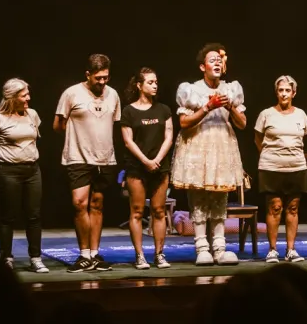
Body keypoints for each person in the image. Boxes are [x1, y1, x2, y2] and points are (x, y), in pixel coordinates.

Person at [171, 44, 246, 266]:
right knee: (199, 198)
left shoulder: (230, 89)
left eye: (219, 60)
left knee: (219, 198)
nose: (217, 63)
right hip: (199, 145)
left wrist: (230, 107)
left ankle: (220, 248)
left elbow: (242, 124)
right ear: (203, 66)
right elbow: (184, 122)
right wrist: (207, 107)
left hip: (221, 145)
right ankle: (202, 247)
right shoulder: (192, 90)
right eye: (212, 60)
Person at [54, 54, 121, 272]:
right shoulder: (71, 93)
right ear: (88, 74)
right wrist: (78, 138)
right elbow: (58, 125)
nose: (102, 82)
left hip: (105, 158)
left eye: (105, 78)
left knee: (97, 205)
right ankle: (83, 254)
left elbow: (113, 124)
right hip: (78, 157)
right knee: (79, 204)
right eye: (98, 78)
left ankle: (94, 254)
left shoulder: (113, 95)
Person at [0, 78, 48, 273]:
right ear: (12, 98)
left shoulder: (32, 114)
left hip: (32, 170)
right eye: (24, 95)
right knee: (8, 217)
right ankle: (6, 258)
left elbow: (33, 140)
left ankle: (35, 258)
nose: (28, 98)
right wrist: (2, 162)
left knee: (34, 216)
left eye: (28, 94)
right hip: (8, 172)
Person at [254, 75, 307, 263]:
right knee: (275, 207)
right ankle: (272, 250)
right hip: (271, 167)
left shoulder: (301, 114)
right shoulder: (266, 114)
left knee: (293, 208)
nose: (284, 94)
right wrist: (271, 156)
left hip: (296, 166)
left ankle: (291, 250)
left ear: (294, 93)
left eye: (288, 90)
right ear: (276, 92)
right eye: (281, 90)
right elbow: (257, 139)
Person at [120, 67, 174, 270]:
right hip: (137, 167)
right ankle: (140, 256)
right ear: (139, 85)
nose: (155, 86)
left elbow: (169, 137)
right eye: (150, 82)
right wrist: (145, 161)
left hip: (160, 166)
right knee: (136, 211)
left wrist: (157, 159)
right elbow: (128, 141)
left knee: (159, 210)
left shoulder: (164, 110)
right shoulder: (129, 111)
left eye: (156, 82)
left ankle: (159, 254)